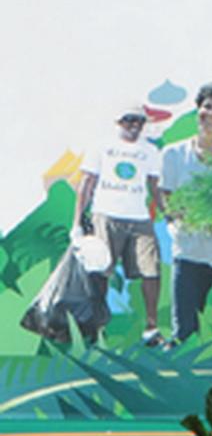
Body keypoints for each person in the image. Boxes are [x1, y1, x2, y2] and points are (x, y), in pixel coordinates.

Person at [159, 85, 212, 344]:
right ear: (198, 109)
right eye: (207, 107)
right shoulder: (174, 154)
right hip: (189, 250)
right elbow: (167, 198)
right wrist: (186, 221)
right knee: (185, 330)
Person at [75, 105, 163, 345]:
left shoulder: (150, 151)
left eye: (140, 121)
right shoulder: (102, 146)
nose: (135, 125)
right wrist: (77, 222)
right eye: (129, 120)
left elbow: (155, 186)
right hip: (106, 215)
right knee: (101, 271)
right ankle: (95, 327)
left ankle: (152, 328)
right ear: (118, 121)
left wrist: (169, 214)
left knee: (151, 269)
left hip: (139, 218)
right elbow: (87, 183)